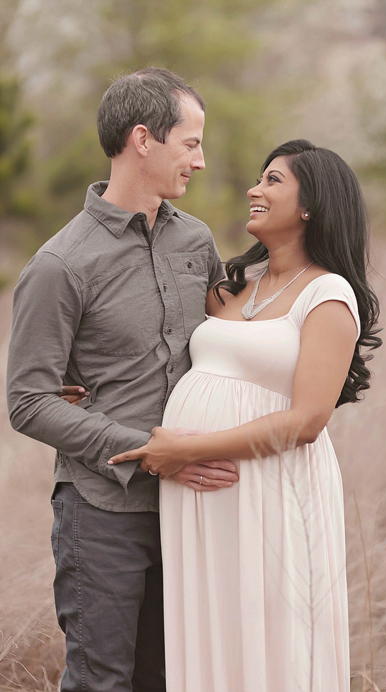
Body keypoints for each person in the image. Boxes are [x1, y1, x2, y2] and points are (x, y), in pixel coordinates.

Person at [107, 139, 382, 690]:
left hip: (270, 490)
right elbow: (150, 336)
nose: (255, 189)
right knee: (211, 629)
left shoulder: (328, 295)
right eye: (259, 178)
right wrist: (80, 377)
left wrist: (183, 450)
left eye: (273, 181)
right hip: (199, 495)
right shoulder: (232, 288)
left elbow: (307, 421)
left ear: (312, 205)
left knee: (269, 635)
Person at [6, 67, 238, 691]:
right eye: (190, 143)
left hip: (191, 507)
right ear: (143, 139)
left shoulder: (197, 240)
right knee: (103, 682)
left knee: (173, 677)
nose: (202, 160)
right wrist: (149, 452)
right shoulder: (60, 265)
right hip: (102, 511)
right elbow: (27, 401)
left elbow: (227, 343)